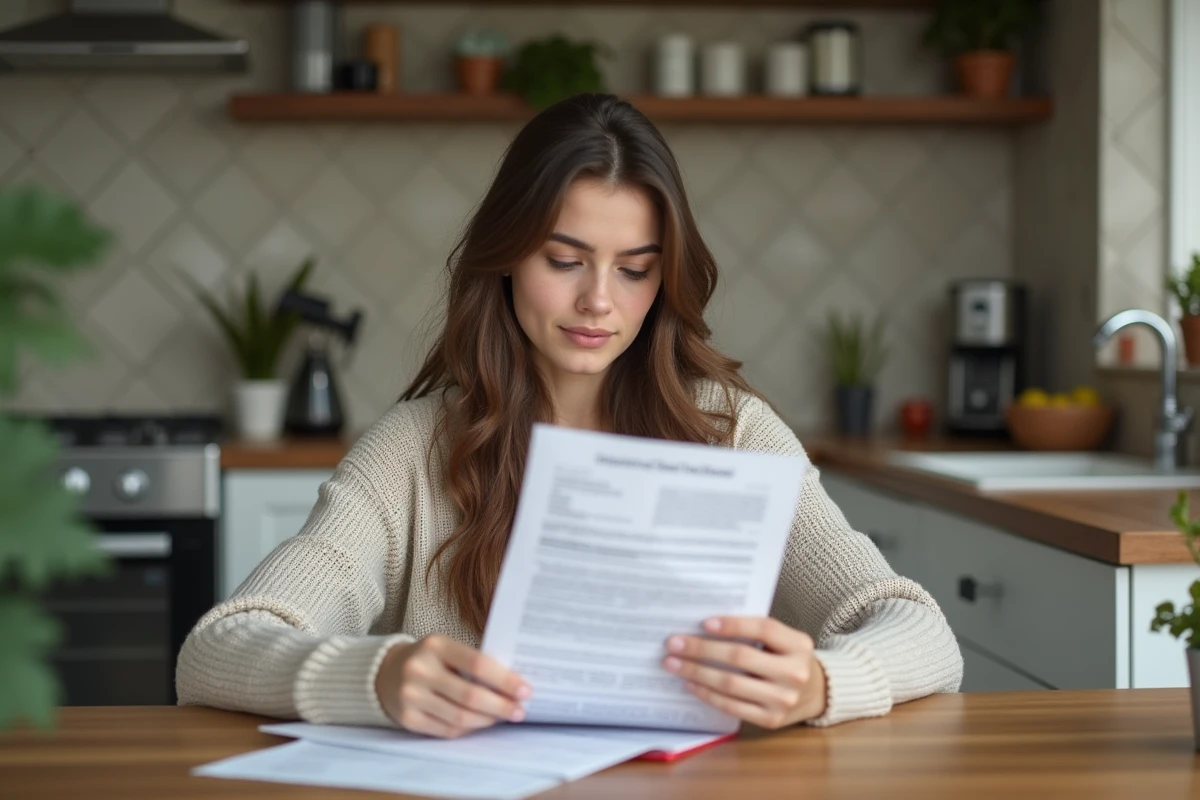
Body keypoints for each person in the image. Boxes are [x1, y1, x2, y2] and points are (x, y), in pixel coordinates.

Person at [177, 93, 962, 739]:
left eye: (634, 271)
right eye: (564, 261)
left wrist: (820, 684)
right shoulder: (411, 451)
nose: (598, 301)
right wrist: (374, 675)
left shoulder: (735, 435)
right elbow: (214, 651)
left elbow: (922, 633)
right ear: (507, 256)